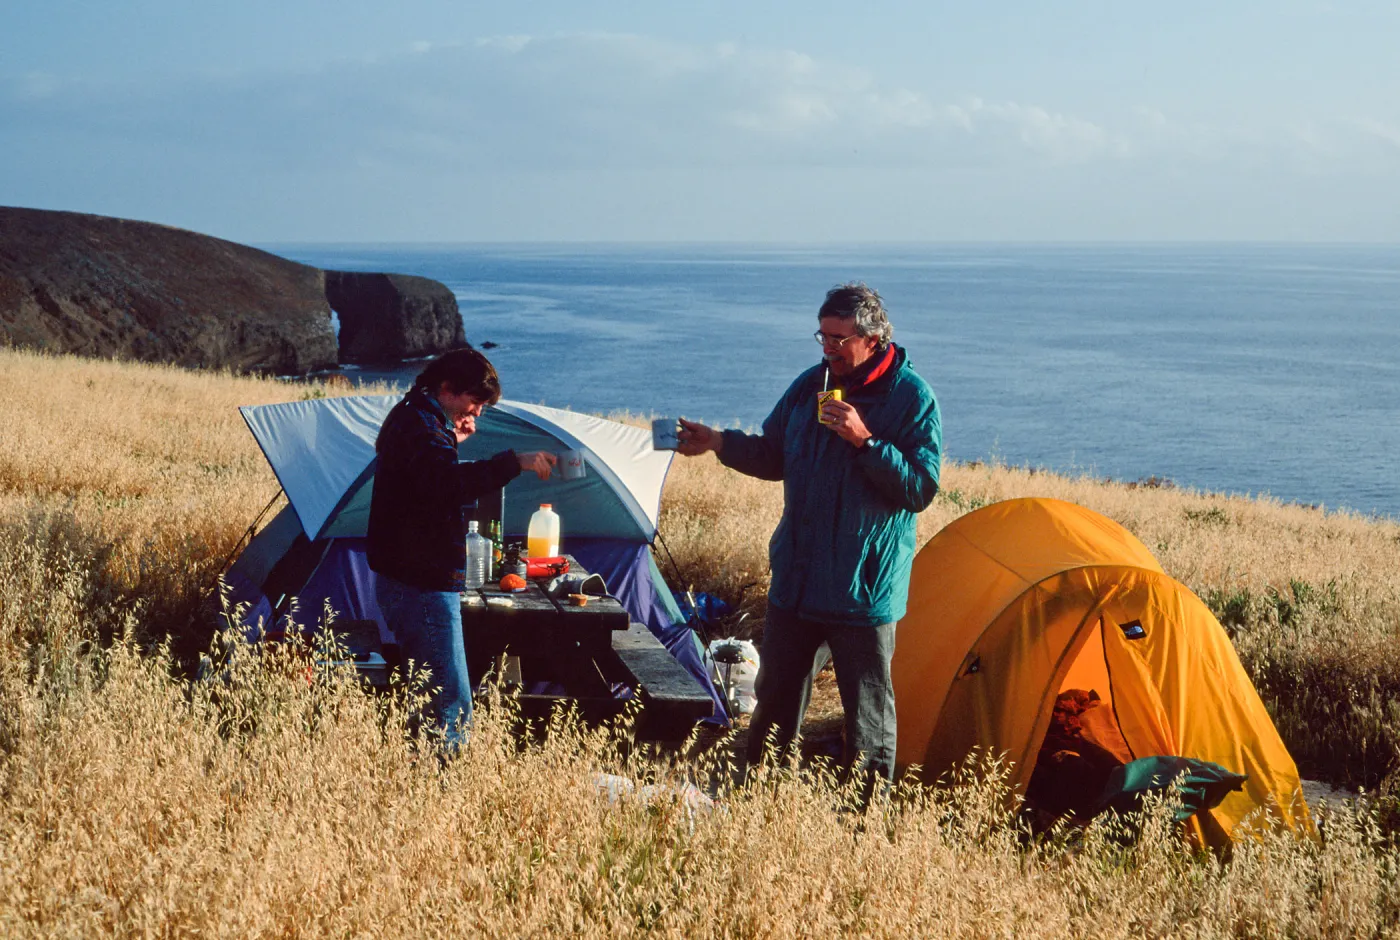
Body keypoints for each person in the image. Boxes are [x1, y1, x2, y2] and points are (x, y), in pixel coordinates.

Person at [677, 283, 941, 786]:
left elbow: (919, 489)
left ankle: (863, 825)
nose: (829, 349)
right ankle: (761, 805)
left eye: (840, 339)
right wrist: (718, 442)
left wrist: (865, 441)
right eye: (823, 337)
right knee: (774, 700)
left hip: (861, 589)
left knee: (868, 718)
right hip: (798, 580)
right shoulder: (809, 385)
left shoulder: (912, 399)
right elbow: (773, 455)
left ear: (875, 337)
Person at [368, 347, 556, 750]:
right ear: (448, 388)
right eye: (476, 400)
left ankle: (422, 779)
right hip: (420, 583)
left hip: (408, 579)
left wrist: (451, 438)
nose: (479, 411)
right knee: (450, 704)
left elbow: (425, 482)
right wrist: (514, 462)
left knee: (432, 695)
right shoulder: (420, 424)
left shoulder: (417, 416)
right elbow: (446, 486)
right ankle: (442, 786)